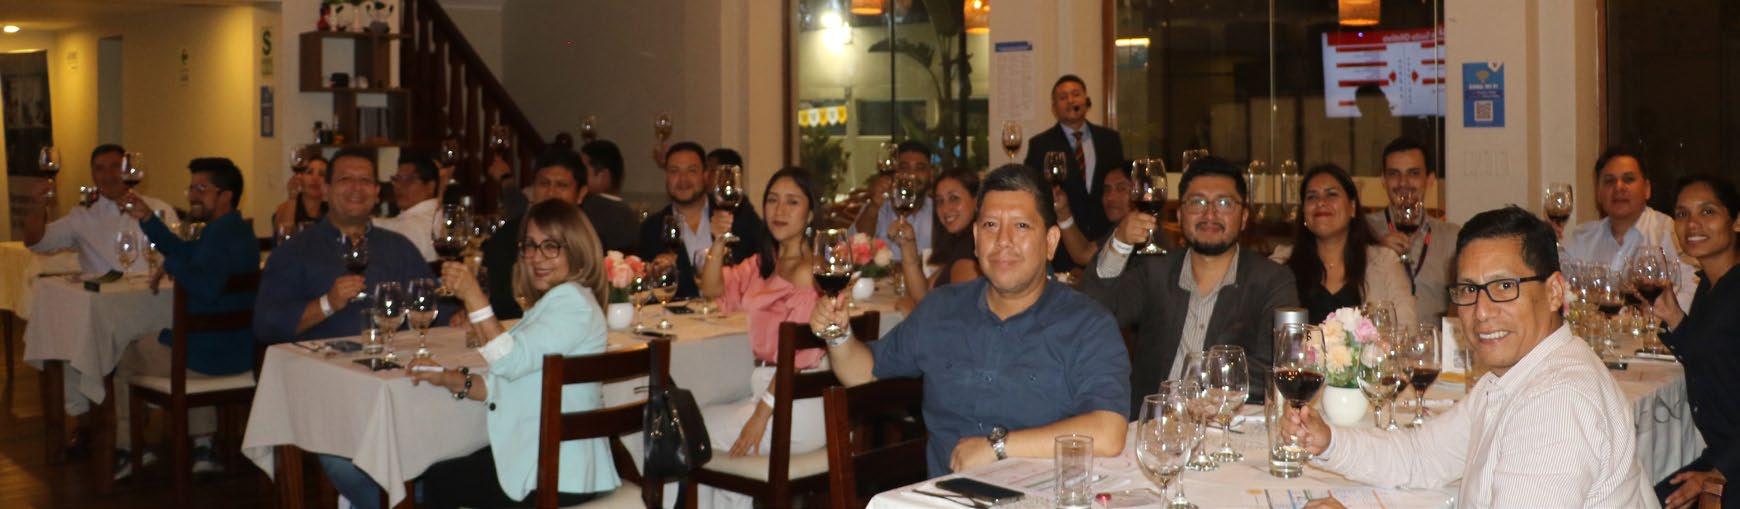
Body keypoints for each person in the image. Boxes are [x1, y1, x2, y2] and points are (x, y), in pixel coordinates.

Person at [1283, 205, 1655, 508]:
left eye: (1504, 286)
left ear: (1555, 291)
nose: (1481, 312)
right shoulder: (1514, 376)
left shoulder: (1556, 401)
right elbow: (1422, 455)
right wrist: (1329, 441)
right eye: (1468, 290)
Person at [811, 164, 1131, 476]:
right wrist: (838, 334)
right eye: (990, 225)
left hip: (1042, 496)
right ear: (976, 238)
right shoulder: (941, 309)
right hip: (945, 498)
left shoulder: (1087, 324)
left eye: (1021, 226)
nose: (1003, 240)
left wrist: (999, 447)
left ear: (1050, 242)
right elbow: (862, 372)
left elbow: (1109, 431)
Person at [406, 199, 619, 508]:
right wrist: (449, 379)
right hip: (555, 466)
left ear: (577, 250)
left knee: (434, 481)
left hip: (558, 475)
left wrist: (473, 295)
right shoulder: (559, 303)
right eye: (530, 245)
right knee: (443, 473)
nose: (537, 257)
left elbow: (508, 360)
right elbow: (509, 382)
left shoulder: (572, 303)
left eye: (551, 246)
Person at [1081, 156, 1299, 412]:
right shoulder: (1156, 272)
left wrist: (1205, 391)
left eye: (1224, 203)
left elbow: (1279, 367)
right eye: (1197, 202)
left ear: (1243, 217)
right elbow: (1095, 312)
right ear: (1179, 214)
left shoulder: (1271, 280)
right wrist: (1119, 243)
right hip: (1154, 424)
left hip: (1228, 424)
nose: (1210, 214)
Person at [111, 157, 260, 479]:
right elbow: (185, 253)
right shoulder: (234, 230)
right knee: (181, 340)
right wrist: (148, 218)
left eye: (202, 188)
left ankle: (129, 450)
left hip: (209, 359)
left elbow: (206, 288)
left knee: (124, 355)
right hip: (239, 353)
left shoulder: (219, 236)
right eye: (191, 188)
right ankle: (203, 447)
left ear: (226, 195)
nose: (193, 195)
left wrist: (175, 266)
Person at [696, 167, 828, 461]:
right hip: (768, 392)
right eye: (772, 200)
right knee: (694, 419)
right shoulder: (764, 263)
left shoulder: (808, 272)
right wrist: (719, 241)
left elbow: (797, 357)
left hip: (796, 402)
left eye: (792, 201)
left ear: (809, 215)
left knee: (687, 427)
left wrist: (761, 414)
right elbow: (712, 289)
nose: (779, 210)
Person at [254, 148, 439, 344]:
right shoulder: (294, 251)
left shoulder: (399, 247)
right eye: (345, 179)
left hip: (393, 357)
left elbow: (434, 306)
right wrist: (327, 304)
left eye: (365, 180)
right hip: (321, 361)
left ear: (376, 193)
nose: (356, 187)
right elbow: (266, 327)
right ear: (326, 191)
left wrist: (457, 313)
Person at [1650, 175, 1740, 509]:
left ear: (1736, 220)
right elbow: (1713, 359)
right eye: (1682, 213)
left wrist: (1716, 474)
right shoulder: (1712, 285)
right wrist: (1674, 317)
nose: (1692, 224)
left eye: (1708, 211)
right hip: (1722, 454)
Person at [1272, 164, 1416, 326]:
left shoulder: (1385, 263)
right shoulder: (1280, 265)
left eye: (1331, 194)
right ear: (1304, 212)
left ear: (1352, 208)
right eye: (1312, 197)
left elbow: (1407, 328)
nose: (1321, 202)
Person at [1566, 147, 1696, 313]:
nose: (1619, 187)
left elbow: (1693, 290)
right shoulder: (1582, 238)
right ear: (1598, 193)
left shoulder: (1669, 232)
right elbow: (1562, 292)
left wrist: (1653, 314)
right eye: (1609, 181)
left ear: (1647, 189)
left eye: (1628, 179)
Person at [638, 141, 769, 299]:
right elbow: (644, 290)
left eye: (692, 171)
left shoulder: (737, 213)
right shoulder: (652, 228)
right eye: (674, 171)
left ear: (706, 175)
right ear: (666, 176)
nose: (683, 179)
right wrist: (655, 274)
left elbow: (765, 260)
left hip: (732, 310)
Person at [25, 144, 181, 275]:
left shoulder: (159, 209)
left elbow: (180, 257)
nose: (108, 175)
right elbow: (37, 243)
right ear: (92, 175)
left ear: (128, 169)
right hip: (102, 300)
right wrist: (37, 205)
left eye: (115, 166)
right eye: (99, 169)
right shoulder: (81, 216)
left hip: (152, 298)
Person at [1024, 74, 1126, 271]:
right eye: (1063, 97)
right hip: (1061, 244)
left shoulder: (1110, 139)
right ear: (1054, 107)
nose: (1071, 101)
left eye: (1076, 94)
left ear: (1086, 101)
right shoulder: (1040, 145)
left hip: (1105, 240)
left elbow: (1120, 185)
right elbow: (1032, 192)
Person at [482, 146, 590, 321]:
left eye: (561, 185)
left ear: (581, 194)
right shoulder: (507, 236)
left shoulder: (588, 239)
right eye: (544, 184)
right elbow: (496, 300)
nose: (551, 192)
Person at [1365, 138, 1459, 326]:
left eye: (1413, 173)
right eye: (1394, 174)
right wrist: (1374, 250)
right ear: (1383, 180)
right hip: (1379, 341)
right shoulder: (1364, 231)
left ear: (1430, 179)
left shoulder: (1452, 237)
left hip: (1434, 341)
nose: (1403, 183)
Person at [890, 168, 981, 306]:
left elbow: (962, 314)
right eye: (939, 201)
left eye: (954, 198)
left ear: (976, 200)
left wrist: (910, 312)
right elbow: (923, 295)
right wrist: (907, 245)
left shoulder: (970, 251)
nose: (945, 209)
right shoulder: (961, 243)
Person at [854, 141, 938, 261]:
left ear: (930, 174)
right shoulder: (877, 206)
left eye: (920, 168)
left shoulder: (939, 211)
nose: (911, 175)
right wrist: (873, 206)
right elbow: (855, 246)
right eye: (904, 168)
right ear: (894, 172)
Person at [374, 151, 442, 261]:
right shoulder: (438, 215)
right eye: (397, 179)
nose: (399, 186)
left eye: (409, 180)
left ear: (430, 186)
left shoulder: (412, 225)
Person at [579, 139, 640, 253]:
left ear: (603, 176)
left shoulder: (589, 209)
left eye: (582, 171)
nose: (577, 175)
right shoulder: (629, 213)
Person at [273, 155, 329, 232]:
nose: (315, 178)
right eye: (309, 172)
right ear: (300, 178)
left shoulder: (332, 211)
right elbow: (284, 234)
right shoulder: (286, 207)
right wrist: (292, 196)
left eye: (322, 174)